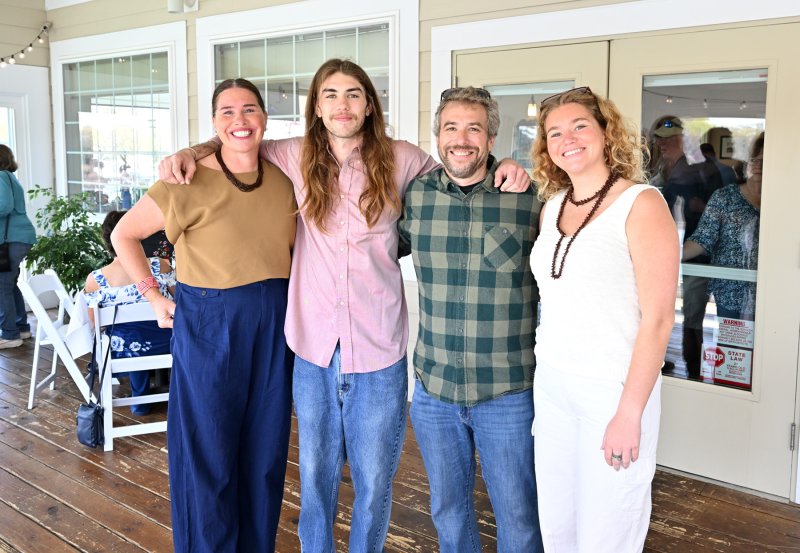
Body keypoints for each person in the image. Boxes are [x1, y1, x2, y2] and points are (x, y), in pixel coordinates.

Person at [158, 59, 529, 553]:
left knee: (374, 487)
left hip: (378, 353)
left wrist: (505, 163)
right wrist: (190, 150)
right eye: (330, 95)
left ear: (369, 103)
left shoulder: (403, 160)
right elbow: (240, 138)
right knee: (315, 484)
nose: (342, 105)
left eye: (353, 94)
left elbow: (462, 168)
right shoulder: (292, 154)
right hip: (312, 351)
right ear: (316, 105)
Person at [112, 78, 297, 553]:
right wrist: (154, 296)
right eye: (228, 112)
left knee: (264, 453)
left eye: (250, 109)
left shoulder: (283, 177)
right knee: (208, 452)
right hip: (210, 323)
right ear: (215, 123)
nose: (241, 121)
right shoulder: (184, 180)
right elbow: (124, 235)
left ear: (264, 119)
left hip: (274, 324)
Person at [530, 87, 678, 551]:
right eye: (554, 132)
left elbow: (657, 320)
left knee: (608, 531)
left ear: (605, 132)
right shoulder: (553, 206)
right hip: (552, 385)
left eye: (579, 126)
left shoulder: (642, 204)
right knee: (557, 526)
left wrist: (629, 412)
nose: (567, 139)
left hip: (612, 391)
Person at [398, 87, 543, 552]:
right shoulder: (415, 197)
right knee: (447, 508)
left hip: (507, 390)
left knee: (518, 512)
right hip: (434, 390)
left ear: (492, 136)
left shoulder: (528, 199)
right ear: (437, 136)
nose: (461, 139)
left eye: (473, 128)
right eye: (451, 128)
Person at [649, 115, 722, 379]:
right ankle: (658, 361)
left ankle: (694, 375)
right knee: (656, 308)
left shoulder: (700, 169)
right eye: (661, 138)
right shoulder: (657, 169)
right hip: (660, 252)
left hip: (697, 255)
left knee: (692, 317)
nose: (665, 143)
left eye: (672, 138)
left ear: (683, 139)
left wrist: (701, 208)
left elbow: (720, 212)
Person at [84, 210, 174, 416]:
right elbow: (178, 299)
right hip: (165, 341)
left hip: (119, 351)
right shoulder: (160, 266)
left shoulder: (95, 279)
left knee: (127, 335)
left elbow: (94, 323)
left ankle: (139, 401)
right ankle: (177, 394)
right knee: (160, 328)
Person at [683, 133, 763, 320]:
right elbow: (702, 239)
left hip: (772, 294)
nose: (759, 165)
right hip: (730, 295)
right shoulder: (725, 197)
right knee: (731, 349)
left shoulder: (785, 201)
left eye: (766, 161)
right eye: (755, 159)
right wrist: (671, 255)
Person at [0, 145, 36, 349]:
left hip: (11, 239)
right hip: (18, 237)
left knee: (2, 285)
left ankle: (10, 335)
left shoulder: (0, 176)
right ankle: (21, 327)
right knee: (9, 283)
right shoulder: (9, 176)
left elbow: (4, 206)